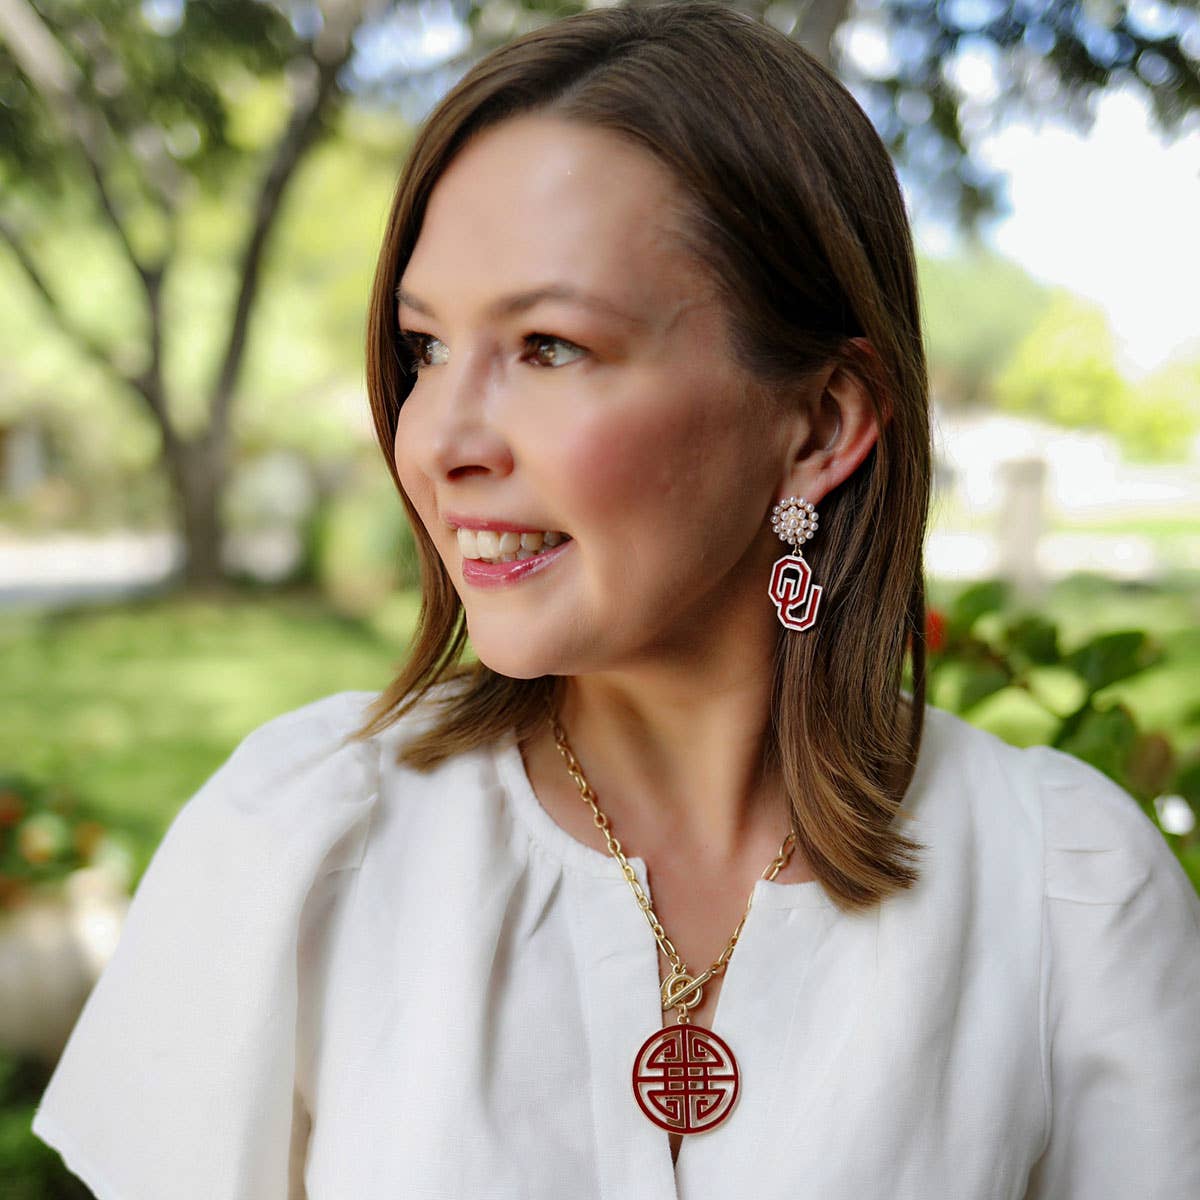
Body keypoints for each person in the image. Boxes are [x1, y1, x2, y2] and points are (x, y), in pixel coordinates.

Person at [31, 4, 1200, 1197]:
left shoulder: (1063, 889)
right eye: (424, 346)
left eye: (547, 345)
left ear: (822, 425)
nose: (439, 438)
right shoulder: (303, 843)